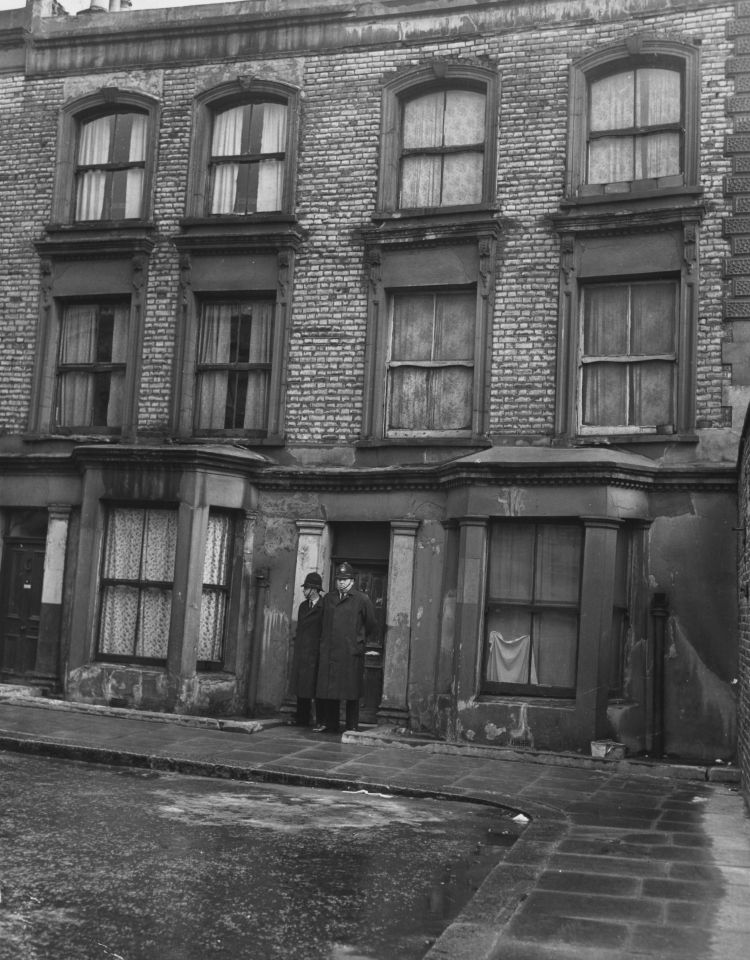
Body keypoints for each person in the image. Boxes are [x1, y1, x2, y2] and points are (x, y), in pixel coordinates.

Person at [315, 561, 376, 734]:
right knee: (331, 691)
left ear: (352, 581)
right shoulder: (329, 598)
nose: (341, 582)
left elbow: (371, 624)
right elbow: (322, 623)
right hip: (331, 651)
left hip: (351, 653)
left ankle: (352, 725)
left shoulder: (362, 599)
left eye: (345, 579)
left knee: (351, 692)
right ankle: (332, 724)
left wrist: (359, 642)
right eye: (339, 579)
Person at [289, 572, 324, 727]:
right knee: (301, 686)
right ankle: (302, 717)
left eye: (306, 588)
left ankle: (319, 719)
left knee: (316, 687)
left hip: (316, 653)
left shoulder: (324, 607)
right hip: (302, 651)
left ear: (315, 590)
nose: (303, 591)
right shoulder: (303, 606)